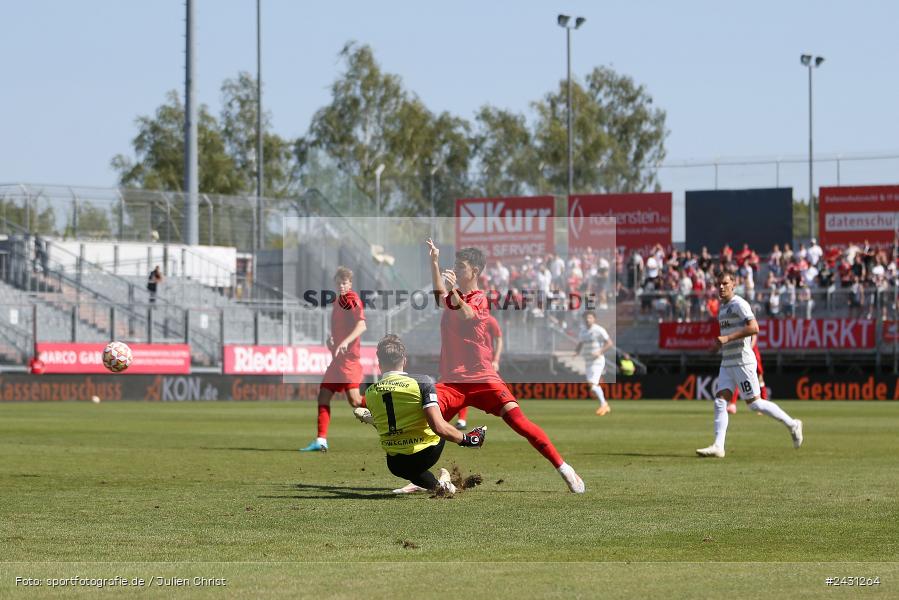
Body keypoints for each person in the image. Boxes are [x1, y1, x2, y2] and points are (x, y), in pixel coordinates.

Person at [426, 238, 585, 493]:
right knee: (426, 426)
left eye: (461, 266)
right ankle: (422, 480)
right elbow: (438, 297)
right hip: (452, 380)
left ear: (474, 271)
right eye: (454, 265)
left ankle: (565, 469)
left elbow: (466, 315)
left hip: (481, 378)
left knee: (519, 422)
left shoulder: (479, 298)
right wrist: (434, 262)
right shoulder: (455, 295)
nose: (455, 269)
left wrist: (452, 290)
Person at [358, 335, 486, 495]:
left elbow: (384, 424)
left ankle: (439, 486)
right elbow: (438, 426)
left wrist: (366, 417)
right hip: (425, 453)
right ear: (404, 360)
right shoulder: (422, 382)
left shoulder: (370, 392)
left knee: (406, 465)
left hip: (395, 463)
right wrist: (468, 439)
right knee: (438, 419)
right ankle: (441, 484)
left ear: (379, 362)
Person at [697, 272, 803, 458]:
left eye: (725, 284)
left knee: (755, 404)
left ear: (733, 285)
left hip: (743, 362)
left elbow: (754, 327)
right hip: (727, 362)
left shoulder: (739, 304)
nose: (721, 287)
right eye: (718, 284)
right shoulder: (722, 308)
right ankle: (718, 446)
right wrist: (717, 346)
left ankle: (793, 424)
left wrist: (727, 338)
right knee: (720, 400)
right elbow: (727, 336)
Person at [300, 266, 367, 452]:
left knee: (355, 401)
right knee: (323, 395)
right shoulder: (338, 301)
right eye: (338, 283)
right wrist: (332, 341)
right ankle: (321, 440)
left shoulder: (352, 300)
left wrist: (345, 342)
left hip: (349, 360)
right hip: (337, 360)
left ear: (350, 283)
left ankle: (386, 406)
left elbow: (362, 326)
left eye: (344, 283)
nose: (342, 286)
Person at [455, 313, 502, 430]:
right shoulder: (464, 319)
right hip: (467, 360)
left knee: (495, 387)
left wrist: (496, 360)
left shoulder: (490, 320)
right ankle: (461, 420)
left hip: (485, 361)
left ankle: (507, 410)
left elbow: (499, 339)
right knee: (461, 388)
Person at [574, 312, 614, 416]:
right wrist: (576, 352)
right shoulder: (583, 331)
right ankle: (604, 404)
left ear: (594, 319)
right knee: (591, 385)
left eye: (590, 317)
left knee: (592, 384)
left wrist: (599, 351)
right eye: (586, 318)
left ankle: (604, 404)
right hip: (588, 361)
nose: (588, 319)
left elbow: (609, 343)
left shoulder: (599, 330)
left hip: (597, 361)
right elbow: (580, 343)